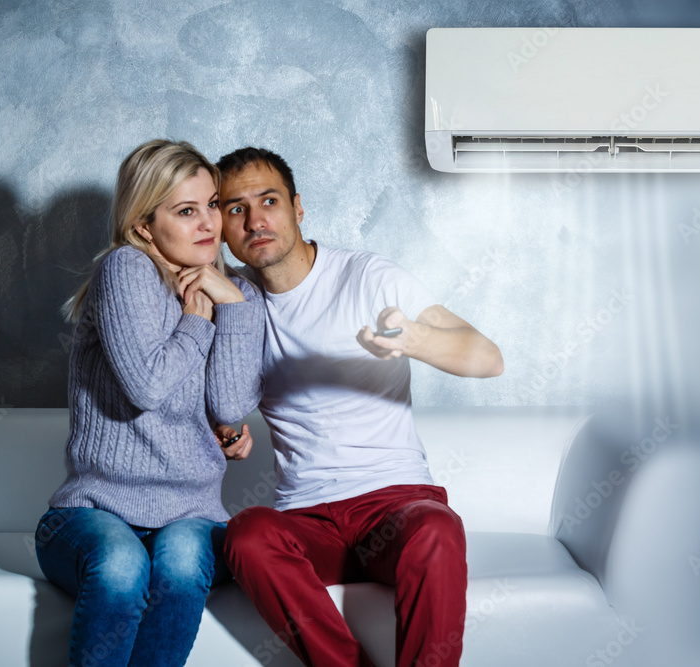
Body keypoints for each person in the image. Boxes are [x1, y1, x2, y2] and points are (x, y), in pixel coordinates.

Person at [216, 147, 504, 667]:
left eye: (269, 200)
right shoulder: (235, 307)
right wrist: (225, 429)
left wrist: (414, 339)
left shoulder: (367, 276)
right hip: (307, 518)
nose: (256, 220)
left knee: (438, 529)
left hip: (394, 504)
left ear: (297, 208)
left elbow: (487, 357)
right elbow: (213, 398)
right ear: (221, 227)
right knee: (248, 535)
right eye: (236, 209)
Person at [34, 140, 264, 667]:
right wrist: (199, 318)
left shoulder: (238, 296)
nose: (208, 222)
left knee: (183, 561)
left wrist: (231, 305)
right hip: (95, 512)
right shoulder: (126, 269)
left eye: (212, 204)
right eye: (186, 211)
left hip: (191, 513)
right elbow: (148, 388)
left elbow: (229, 404)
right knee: (120, 566)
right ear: (143, 227)